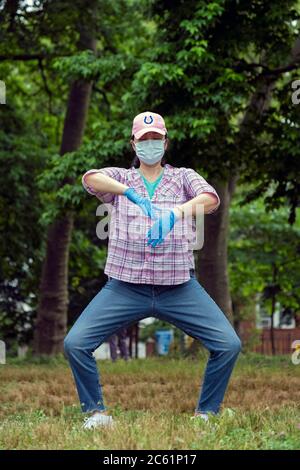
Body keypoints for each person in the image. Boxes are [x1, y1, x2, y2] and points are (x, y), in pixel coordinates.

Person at [64, 111, 242, 429]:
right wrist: (127, 192)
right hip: (125, 286)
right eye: (144, 139)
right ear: (134, 144)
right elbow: (90, 178)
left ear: (165, 142)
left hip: (178, 287)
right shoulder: (123, 177)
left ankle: (206, 414)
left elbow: (210, 198)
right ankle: (97, 414)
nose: (150, 144)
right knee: (75, 343)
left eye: (156, 139)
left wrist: (176, 213)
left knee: (228, 344)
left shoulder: (183, 177)